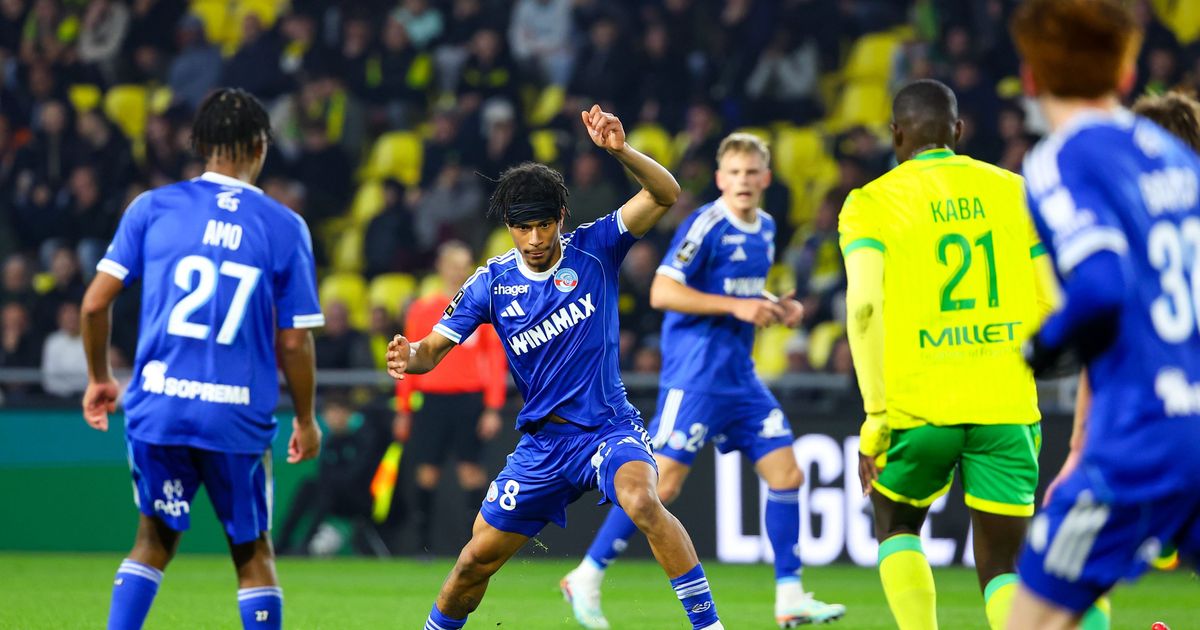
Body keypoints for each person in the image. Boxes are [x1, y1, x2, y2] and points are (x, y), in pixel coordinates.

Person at [386, 104, 725, 630]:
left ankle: (710, 627)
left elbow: (666, 194)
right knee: (474, 561)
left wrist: (620, 151)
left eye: (545, 225)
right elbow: (432, 350)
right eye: (524, 228)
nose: (537, 239)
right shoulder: (491, 283)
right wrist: (410, 357)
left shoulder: (596, 248)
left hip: (607, 427)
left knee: (641, 498)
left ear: (560, 219)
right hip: (542, 446)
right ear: (509, 227)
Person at [561, 132, 845, 630]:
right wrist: (738, 305)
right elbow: (663, 291)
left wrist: (776, 308)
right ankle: (586, 574)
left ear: (765, 179)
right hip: (695, 378)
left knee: (788, 475)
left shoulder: (767, 228)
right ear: (720, 179)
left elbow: (743, 295)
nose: (742, 181)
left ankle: (791, 598)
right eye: (733, 173)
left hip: (741, 378)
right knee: (660, 486)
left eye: (751, 173)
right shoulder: (706, 224)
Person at [838, 78, 1090, 630]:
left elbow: (863, 308)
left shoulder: (869, 203)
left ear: (896, 134)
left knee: (895, 520)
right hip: (1007, 402)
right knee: (1003, 562)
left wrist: (876, 416)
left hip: (918, 404)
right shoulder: (1016, 190)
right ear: (957, 131)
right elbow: (1052, 296)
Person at [80, 88, 324, 630]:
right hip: (235, 414)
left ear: (202, 145)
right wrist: (306, 419)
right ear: (259, 146)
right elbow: (292, 342)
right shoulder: (284, 227)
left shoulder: (151, 207)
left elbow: (95, 304)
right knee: (253, 553)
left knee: (153, 541)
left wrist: (100, 377)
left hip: (159, 407)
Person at [1008, 1, 1200, 627]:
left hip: (1144, 438)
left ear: (1031, 81)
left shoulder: (1061, 158)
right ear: (1124, 75)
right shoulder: (1175, 157)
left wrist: (1044, 346)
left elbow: (1100, 288)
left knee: (1031, 620)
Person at [394, 240, 507, 553]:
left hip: (469, 399)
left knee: (470, 471)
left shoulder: (481, 307)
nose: (459, 271)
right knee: (427, 472)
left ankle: (477, 544)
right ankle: (422, 546)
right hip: (433, 399)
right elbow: (408, 356)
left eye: (464, 265)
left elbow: (495, 360)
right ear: (441, 267)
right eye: (454, 264)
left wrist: (492, 407)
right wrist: (403, 408)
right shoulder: (422, 309)